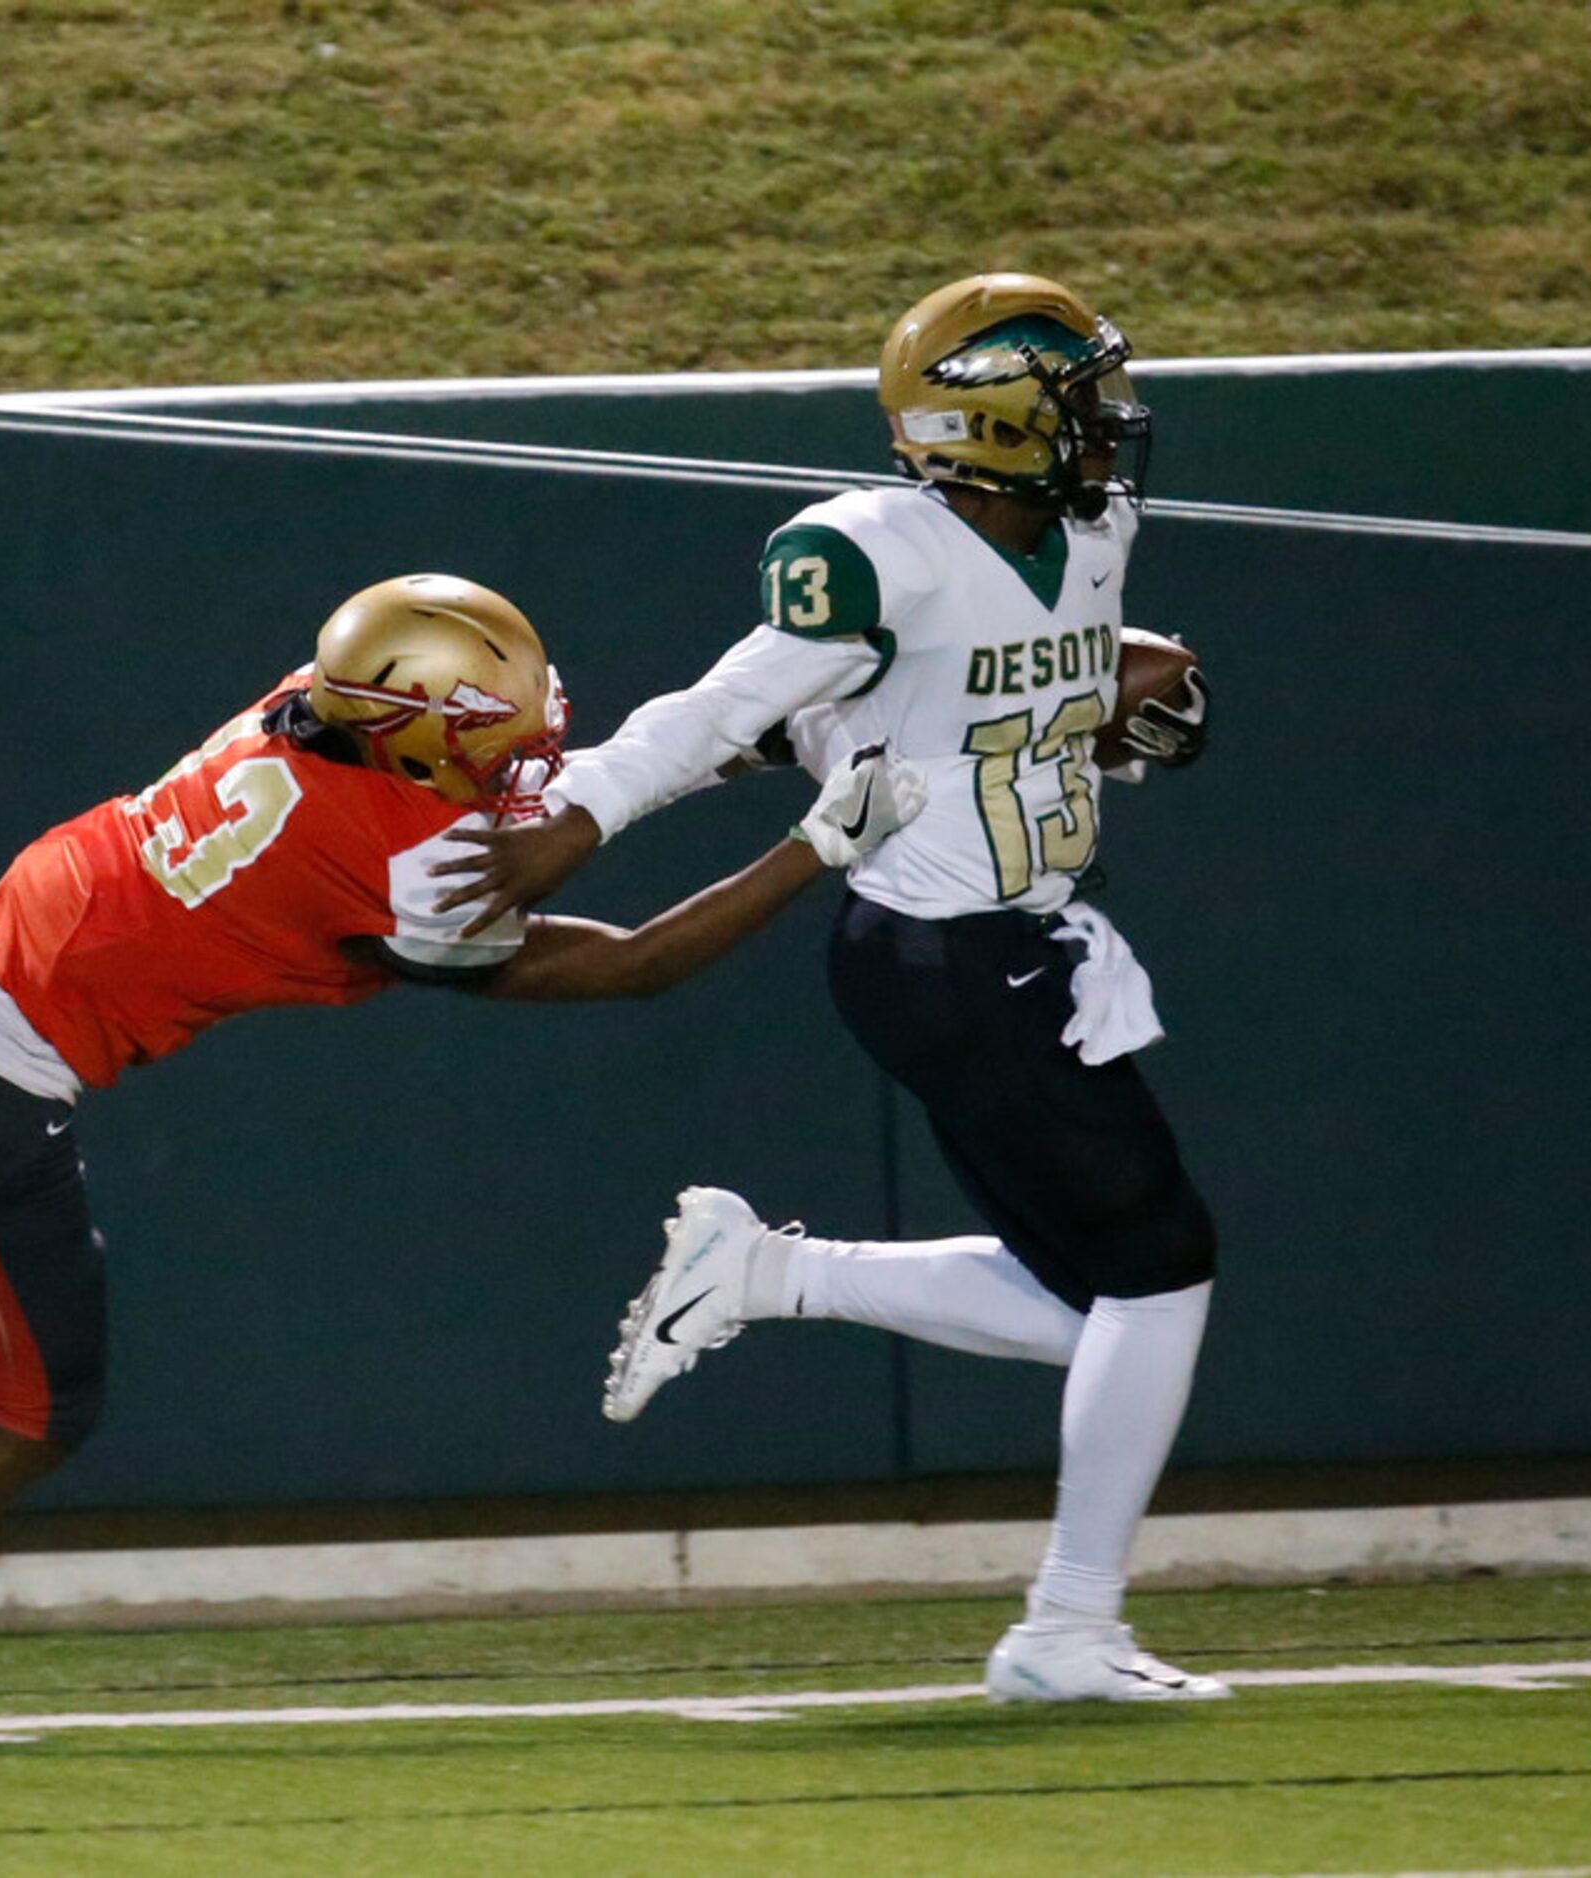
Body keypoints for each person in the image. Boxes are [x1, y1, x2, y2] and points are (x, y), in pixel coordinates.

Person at [0, 572, 922, 1741]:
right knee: (33, 1408)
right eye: (494, 732)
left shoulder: (308, 713)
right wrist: (813, 843)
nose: (533, 745)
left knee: (10, 1310)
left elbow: (529, 815)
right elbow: (626, 966)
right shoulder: (397, 871)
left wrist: (751, 744)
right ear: (418, 727)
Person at [433, 275, 1224, 1704]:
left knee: (1101, 1303)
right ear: (985, 424)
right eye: (1076, 402)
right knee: (1155, 1277)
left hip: (1012, 944)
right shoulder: (872, 551)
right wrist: (576, 821)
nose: (1109, 424)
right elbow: (724, 709)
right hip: (948, 957)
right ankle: (1063, 1629)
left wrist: (1109, 701)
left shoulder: (1087, 528)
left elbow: (982, 681)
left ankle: (769, 1272)